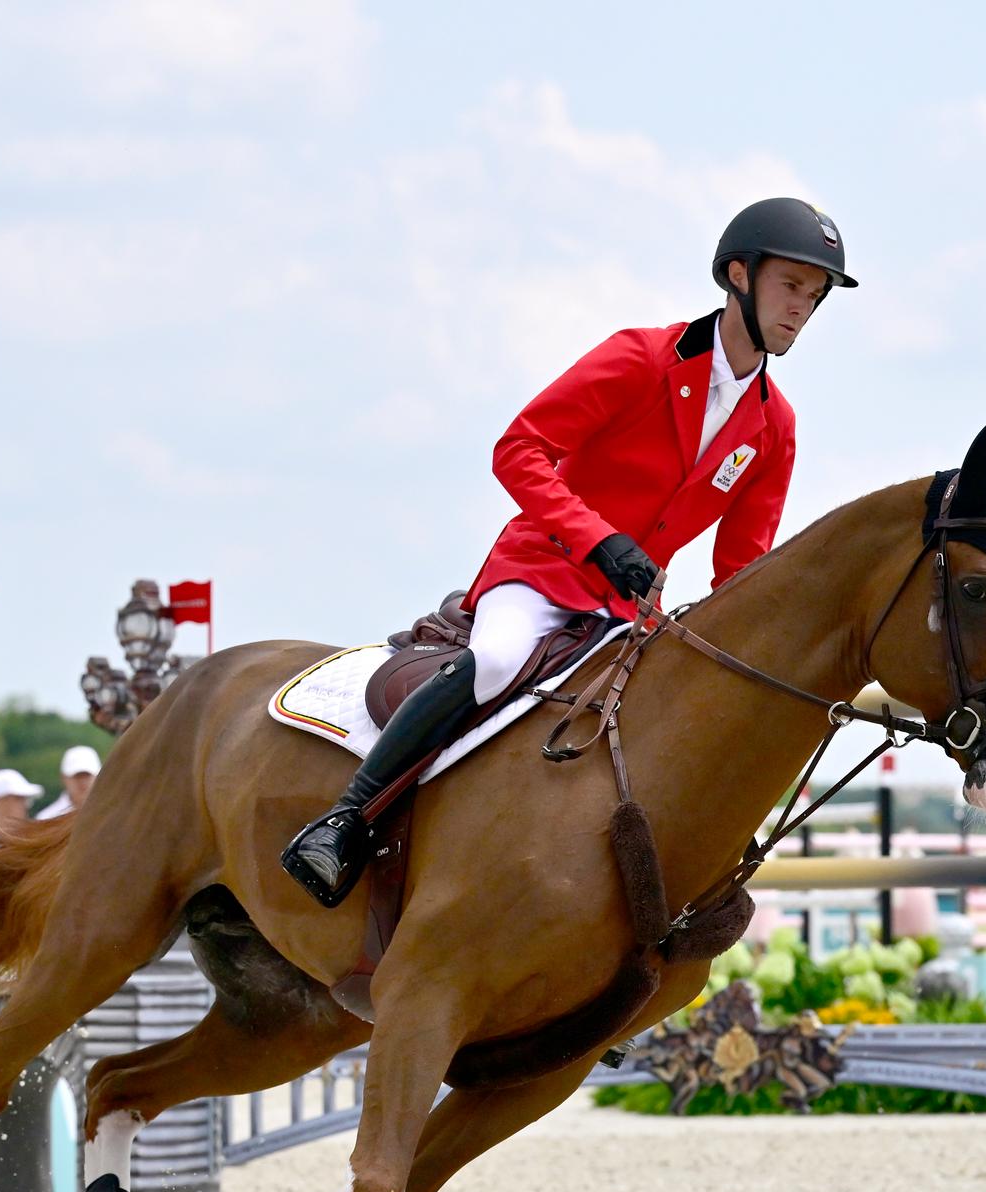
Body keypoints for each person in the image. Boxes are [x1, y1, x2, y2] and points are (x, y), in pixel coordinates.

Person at [282, 197, 855, 906]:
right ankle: (345, 821)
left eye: (815, 295)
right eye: (790, 286)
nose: (802, 307)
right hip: (542, 569)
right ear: (739, 274)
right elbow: (518, 450)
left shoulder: (774, 426)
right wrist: (600, 539)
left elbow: (741, 567)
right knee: (493, 663)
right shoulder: (640, 357)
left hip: (628, 610)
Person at [37, 744, 102, 819]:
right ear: (63, 778)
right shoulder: (46, 818)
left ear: (99, 777)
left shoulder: (109, 815)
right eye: (77, 777)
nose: (82, 783)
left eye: (87, 776)